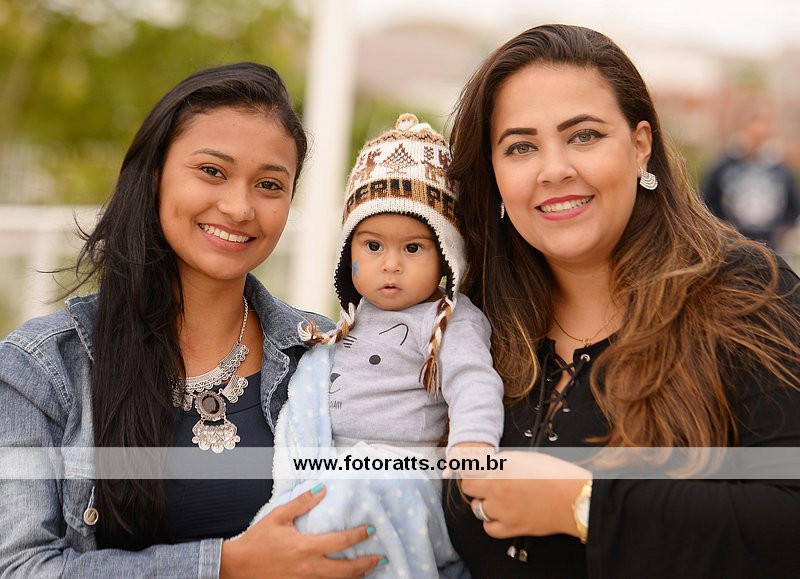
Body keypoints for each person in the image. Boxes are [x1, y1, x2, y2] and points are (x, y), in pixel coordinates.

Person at [0, 62, 385, 578]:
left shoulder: (327, 357)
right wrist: (224, 565)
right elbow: (19, 566)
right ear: (154, 174)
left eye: (269, 184)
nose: (239, 207)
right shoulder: (43, 369)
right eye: (212, 171)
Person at [442, 24, 800, 578]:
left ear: (640, 146)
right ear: (494, 175)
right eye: (521, 147)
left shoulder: (744, 293)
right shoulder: (472, 322)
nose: (554, 169)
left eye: (583, 135)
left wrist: (585, 506)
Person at [248, 113, 504, 577]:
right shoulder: (346, 325)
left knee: (335, 513)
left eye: (413, 248)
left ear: (446, 255)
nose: (391, 265)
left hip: (405, 477)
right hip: (337, 467)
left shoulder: (448, 318)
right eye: (372, 246)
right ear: (349, 251)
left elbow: (473, 382)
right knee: (295, 519)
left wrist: (473, 445)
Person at [702, 104, 799, 250]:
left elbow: (792, 207)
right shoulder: (724, 167)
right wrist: (723, 229)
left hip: (770, 245)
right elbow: (707, 201)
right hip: (733, 246)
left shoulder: (781, 169)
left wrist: (780, 232)